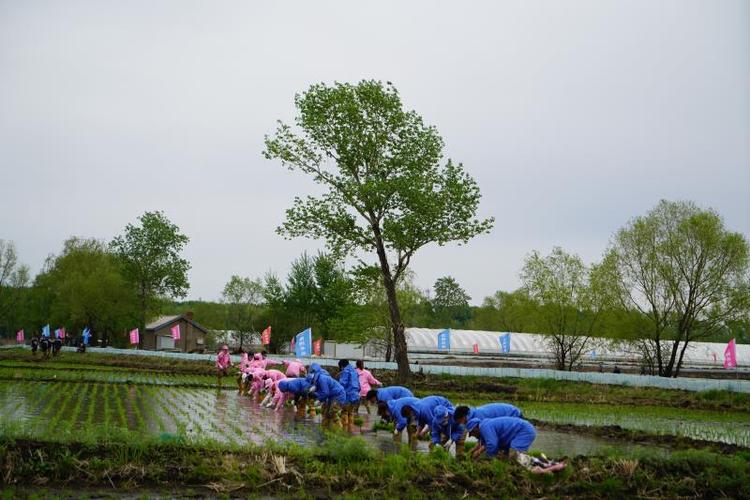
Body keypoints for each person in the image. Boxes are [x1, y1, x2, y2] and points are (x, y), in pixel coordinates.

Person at [466, 417, 565, 473]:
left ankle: (547, 468)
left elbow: (492, 445)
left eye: (472, 434)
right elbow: (484, 443)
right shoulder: (484, 427)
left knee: (514, 457)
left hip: (523, 431)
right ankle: (549, 463)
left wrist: (489, 460)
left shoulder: (485, 427)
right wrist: (472, 454)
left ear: (475, 428)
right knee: (510, 459)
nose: (473, 436)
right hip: (519, 432)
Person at [448, 403, 523, 457]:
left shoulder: (479, 418)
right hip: (507, 412)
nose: (462, 425)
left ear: (463, 417)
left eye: (460, 422)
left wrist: (478, 452)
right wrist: (473, 451)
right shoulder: (473, 417)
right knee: (495, 444)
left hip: (512, 414)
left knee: (503, 443)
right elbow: (482, 438)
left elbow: (488, 440)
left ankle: (510, 460)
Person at [337, 359, 361, 432]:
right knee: (350, 413)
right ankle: (350, 430)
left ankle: (344, 431)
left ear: (341, 366)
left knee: (344, 412)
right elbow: (359, 386)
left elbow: (342, 384)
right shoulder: (354, 371)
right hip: (356, 396)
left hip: (348, 396)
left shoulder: (345, 371)